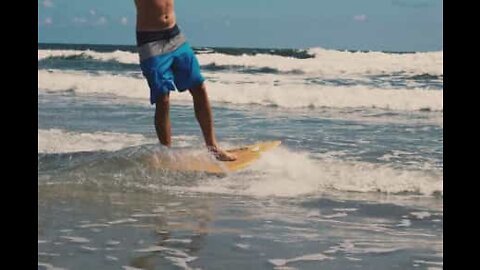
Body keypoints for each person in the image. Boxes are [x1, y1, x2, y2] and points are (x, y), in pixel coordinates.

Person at [134, 0, 236, 161]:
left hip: (175, 35)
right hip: (150, 41)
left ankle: (213, 147)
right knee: (163, 98)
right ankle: (166, 154)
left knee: (199, 87)